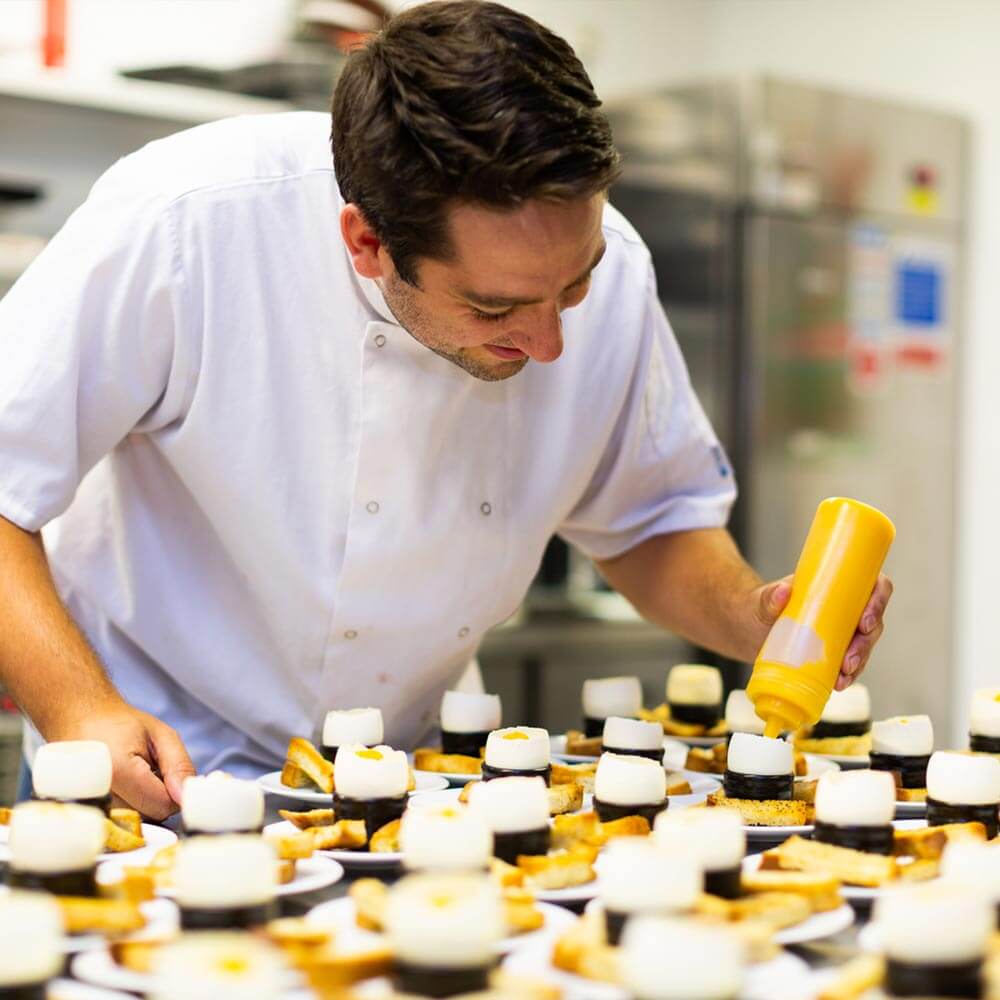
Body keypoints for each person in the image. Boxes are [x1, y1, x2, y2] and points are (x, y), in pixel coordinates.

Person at [0, 1, 891, 819]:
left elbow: (649, 520)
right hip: (153, 761)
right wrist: (79, 707)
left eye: (572, 290)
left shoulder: (615, 266)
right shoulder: (184, 223)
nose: (549, 344)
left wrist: (752, 614)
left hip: (413, 782)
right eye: (496, 309)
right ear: (368, 242)